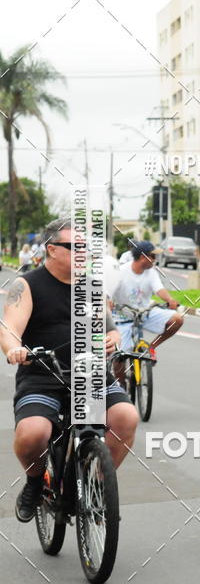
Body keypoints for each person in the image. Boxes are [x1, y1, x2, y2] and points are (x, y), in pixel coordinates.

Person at [0, 218, 138, 523]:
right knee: (33, 434)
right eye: (74, 247)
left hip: (90, 375)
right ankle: (36, 482)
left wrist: (113, 339)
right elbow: (8, 328)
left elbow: (110, 329)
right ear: (51, 250)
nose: (83, 253)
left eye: (86, 247)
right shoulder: (26, 285)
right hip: (43, 376)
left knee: (126, 417)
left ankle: (97, 489)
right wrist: (14, 350)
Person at [110, 241, 184, 362]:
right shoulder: (121, 271)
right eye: (153, 256)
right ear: (142, 257)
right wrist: (108, 303)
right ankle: (120, 381)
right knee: (119, 357)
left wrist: (170, 300)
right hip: (122, 317)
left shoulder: (151, 273)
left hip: (144, 314)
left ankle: (152, 347)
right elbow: (108, 292)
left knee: (177, 319)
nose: (155, 259)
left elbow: (159, 289)